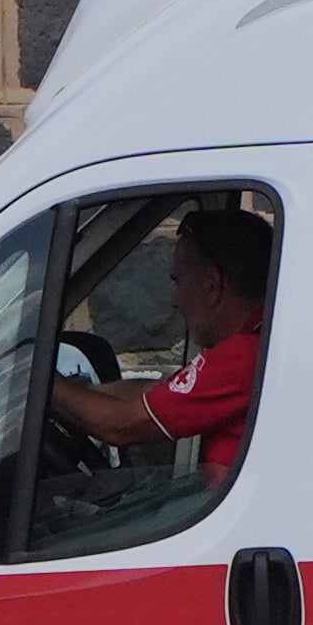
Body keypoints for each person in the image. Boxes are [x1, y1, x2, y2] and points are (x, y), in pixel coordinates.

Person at [47, 202, 272, 482]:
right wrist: (84, 392)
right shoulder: (258, 344)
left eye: (178, 281)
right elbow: (155, 393)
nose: (174, 301)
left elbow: (119, 425)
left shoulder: (246, 357)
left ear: (211, 286)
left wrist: (35, 380)